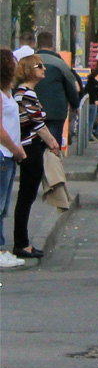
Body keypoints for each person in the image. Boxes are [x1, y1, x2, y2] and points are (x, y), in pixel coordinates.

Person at [11, 55, 61, 261]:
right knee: (26, 196)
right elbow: (38, 124)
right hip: (30, 148)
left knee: (27, 196)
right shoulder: (26, 93)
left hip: (29, 147)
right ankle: (21, 243)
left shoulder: (24, 92)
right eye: (39, 66)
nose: (44, 70)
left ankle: (23, 242)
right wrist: (52, 142)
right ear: (29, 70)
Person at [0, 49, 29, 269]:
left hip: (9, 153)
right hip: (3, 153)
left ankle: (1, 248)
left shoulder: (8, 92)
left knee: (3, 205)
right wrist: (14, 148)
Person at [33, 31, 80, 149]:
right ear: (52, 44)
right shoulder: (60, 64)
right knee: (52, 147)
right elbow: (71, 87)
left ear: (37, 44)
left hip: (33, 111)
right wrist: (75, 104)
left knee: (34, 148)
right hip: (55, 112)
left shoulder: (30, 62)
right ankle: (52, 165)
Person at [83, 63, 98, 139]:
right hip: (92, 103)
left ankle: (95, 131)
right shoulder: (92, 81)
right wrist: (95, 100)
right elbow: (90, 91)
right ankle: (89, 135)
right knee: (91, 119)